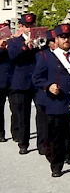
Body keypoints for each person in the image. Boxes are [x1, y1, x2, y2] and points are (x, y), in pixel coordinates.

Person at [32, 24, 70, 177]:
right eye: (63, 37)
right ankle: (57, 165)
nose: (66, 40)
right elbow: (36, 78)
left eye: (68, 37)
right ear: (56, 39)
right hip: (56, 101)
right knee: (57, 136)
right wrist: (48, 86)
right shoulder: (46, 56)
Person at [7, 13, 38, 154]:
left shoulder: (39, 40)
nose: (29, 28)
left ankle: (43, 144)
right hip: (21, 83)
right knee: (23, 115)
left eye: (31, 26)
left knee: (42, 114)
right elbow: (12, 57)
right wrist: (25, 45)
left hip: (37, 82)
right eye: (26, 26)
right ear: (21, 26)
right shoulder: (14, 42)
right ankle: (23, 143)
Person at [34, 30, 55, 157]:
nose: (55, 43)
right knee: (43, 124)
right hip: (44, 93)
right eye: (52, 41)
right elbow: (38, 76)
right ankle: (42, 145)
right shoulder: (43, 55)